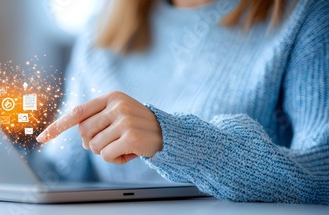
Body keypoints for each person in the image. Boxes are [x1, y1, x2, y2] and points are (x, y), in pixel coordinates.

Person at [36, 0, 329, 204]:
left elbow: (321, 180)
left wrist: (175, 139)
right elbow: (60, 174)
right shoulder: (98, 34)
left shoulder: (307, 14)